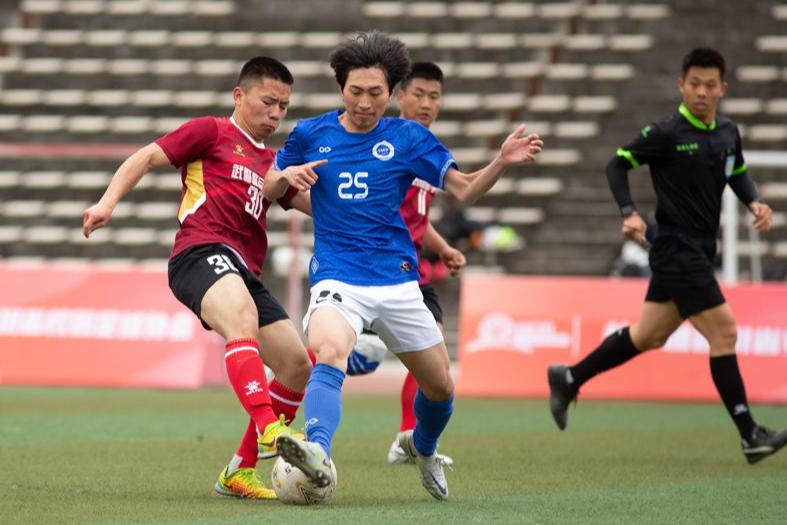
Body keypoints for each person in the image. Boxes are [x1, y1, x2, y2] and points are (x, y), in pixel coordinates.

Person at [263, 31, 543, 500]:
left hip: (396, 281)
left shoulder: (409, 137)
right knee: (327, 351)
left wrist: (501, 161)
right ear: (341, 88)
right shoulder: (311, 134)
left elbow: (465, 190)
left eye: (375, 92)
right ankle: (317, 450)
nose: (365, 102)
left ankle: (424, 449)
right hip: (337, 276)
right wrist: (284, 176)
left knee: (440, 386)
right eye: (355, 91)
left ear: (391, 92)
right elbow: (270, 186)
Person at [82, 57, 323, 499]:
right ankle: (268, 426)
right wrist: (106, 203)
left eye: (284, 106)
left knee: (296, 363)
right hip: (199, 252)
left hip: (244, 271)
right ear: (239, 95)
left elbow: (321, 210)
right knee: (242, 320)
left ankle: (239, 471)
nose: (275, 113)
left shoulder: (272, 163)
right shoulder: (211, 131)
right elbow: (146, 157)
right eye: (268, 101)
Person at [547, 47, 787, 464]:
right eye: (694, 84)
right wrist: (629, 212)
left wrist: (754, 201)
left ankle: (569, 377)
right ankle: (750, 433)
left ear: (723, 88)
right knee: (724, 333)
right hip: (676, 250)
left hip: (699, 251)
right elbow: (616, 165)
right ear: (681, 85)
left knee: (649, 335)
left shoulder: (728, 132)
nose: (702, 92)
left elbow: (735, 172)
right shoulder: (666, 133)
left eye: (710, 85)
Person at [349, 62, 464, 467]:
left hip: (408, 271)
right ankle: (290, 373)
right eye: (419, 94)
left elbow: (416, 217)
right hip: (371, 268)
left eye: (434, 96)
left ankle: (407, 440)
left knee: (431, 352)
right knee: (350, 354)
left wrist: (443, 247)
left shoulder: (428, 150)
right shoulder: (385, 144)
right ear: (399, 96)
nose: (427, 103)